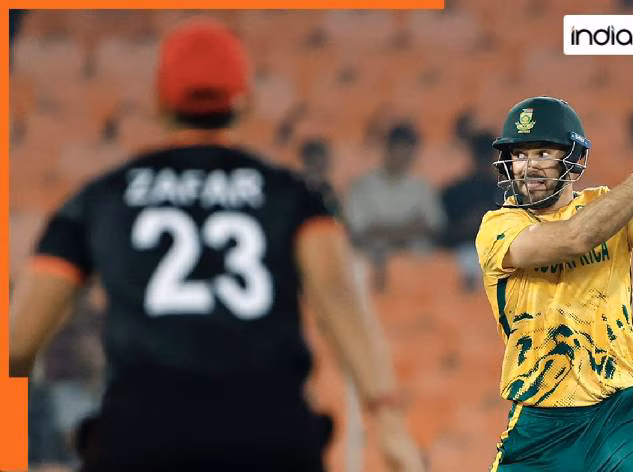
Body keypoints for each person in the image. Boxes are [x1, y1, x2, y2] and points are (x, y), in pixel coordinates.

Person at [10, 17, 424, 472]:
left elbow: (17, 346)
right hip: (269, 436)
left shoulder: (100, 198)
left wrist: (10, 442)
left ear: (160, 101)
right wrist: (387, 418)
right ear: (244, 102)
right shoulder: (292, 196)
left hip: (144, 435)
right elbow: (339, 297)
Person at [476, 96, 633, 471]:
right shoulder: (497, 227)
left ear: (574, 158)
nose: (528, 166)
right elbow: (574, 239)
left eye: (543, 152)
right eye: (519, 154)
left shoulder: (610, 207)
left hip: (620, 414)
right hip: (540, 427)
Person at [344, 123, 445, 290]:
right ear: (388, 149)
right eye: (400, 150)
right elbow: (359, 230)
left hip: (414, 262)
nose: (404, 157)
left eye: (409, 152)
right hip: (373, 260)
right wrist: (409, 228)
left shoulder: (421, 186)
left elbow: (434, 225)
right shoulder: (363, 185)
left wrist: (383, 229)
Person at [440, 130, 499, 292]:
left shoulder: (506, 192)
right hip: (464, 249)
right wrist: (468, 226)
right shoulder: (455, 192)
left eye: (487, 155)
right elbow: (443, 235)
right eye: (480, 155)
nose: (483, 160)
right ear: (472, 156)